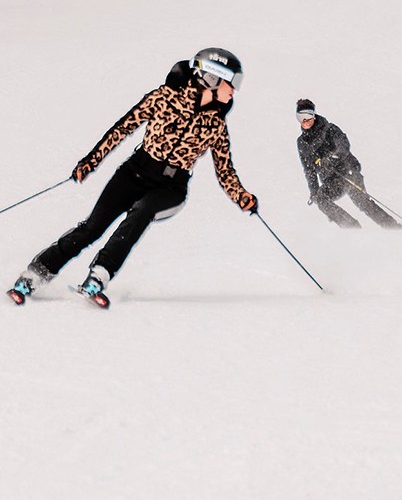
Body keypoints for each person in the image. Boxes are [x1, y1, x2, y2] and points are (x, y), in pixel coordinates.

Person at [7, 48, 258, 306]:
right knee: (91, 229)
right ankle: (34, 275)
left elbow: (225, 170)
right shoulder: (163, 98)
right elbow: (122, 128)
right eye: (232, 82)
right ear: (212, 78)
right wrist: (91, 161)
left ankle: (99, 275)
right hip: (135, 172)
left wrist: (242, 197)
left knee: (142, 211)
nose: (234, 91)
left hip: (171, 187)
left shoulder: (216, 125)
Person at [295, 99, 401, 229]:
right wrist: (314, 191)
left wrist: (330, 159)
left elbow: (344, 146)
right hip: (331, 180)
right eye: (300, 117)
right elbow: (308, 169)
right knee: (321, 199)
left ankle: (394, 228)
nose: (305, 121)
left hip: (348, 172)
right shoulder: (302, 143)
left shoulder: (330, 129)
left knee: (363, 203)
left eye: (308, 116)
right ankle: (352, 228)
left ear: (314, 116)